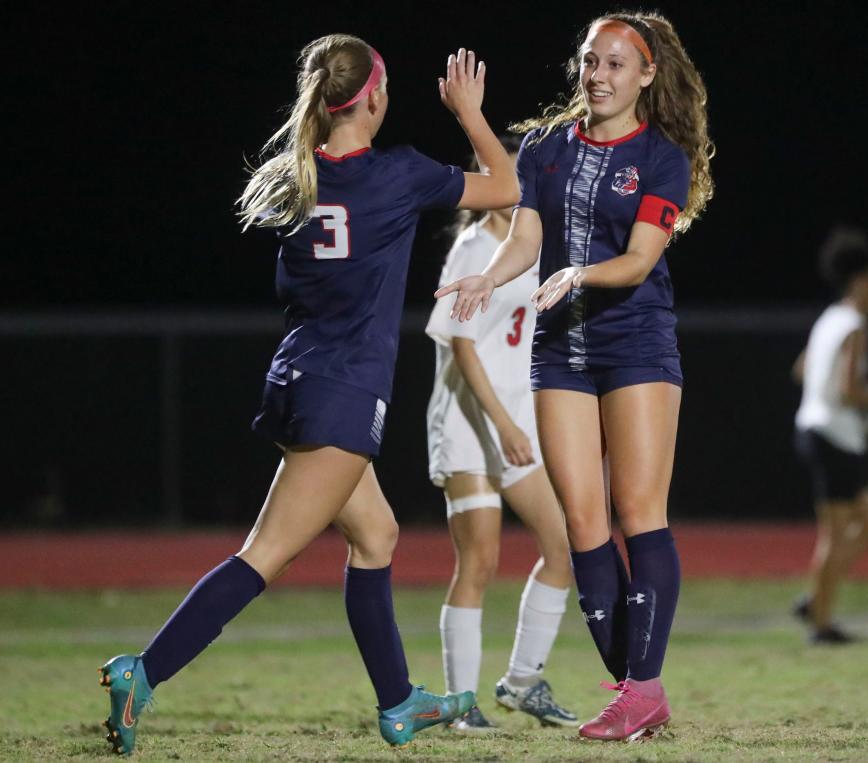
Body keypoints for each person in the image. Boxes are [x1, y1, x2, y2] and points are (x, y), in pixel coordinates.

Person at [96, 35, 519, 755]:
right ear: (375, 97)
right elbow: (506, 187)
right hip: (342, 392)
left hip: (298, 378)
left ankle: (397, 701)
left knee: (376, 535)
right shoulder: (399, 175)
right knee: (264, 555)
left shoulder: (293, 176)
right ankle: (144, 669)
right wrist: (472, 115)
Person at [435, 10, 714, 743]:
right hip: (560, 351)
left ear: (646, 74)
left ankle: (640, 687)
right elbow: (526, 234)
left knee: (637, 511)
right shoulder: (545, 148)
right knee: (582, 523)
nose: (598, 74)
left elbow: (640, 260)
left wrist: (579, 272)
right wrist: (486, 281)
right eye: (592, 60)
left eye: (616, 63)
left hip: (635, 344)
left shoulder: (662, 157)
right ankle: (637, 689)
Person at [426, 135, 577, 733]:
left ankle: (521, 681)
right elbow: (462, 346)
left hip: (515, 420)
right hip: (469, 423)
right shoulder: (472, 247)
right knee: (480, 559)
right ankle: (461, 707)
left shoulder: (529, 246)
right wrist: (506, 423)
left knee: (563, 546)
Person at [792, 227, 868, 644]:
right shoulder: (855, 325)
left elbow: (802, 369)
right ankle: (820, 624)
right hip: (832, 435)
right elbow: (848, 391)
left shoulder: (830, 318)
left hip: (821, 431)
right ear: (861, 282)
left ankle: (816, 597)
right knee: (838, 534)